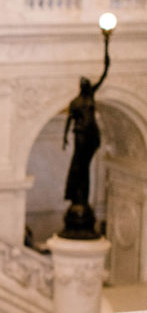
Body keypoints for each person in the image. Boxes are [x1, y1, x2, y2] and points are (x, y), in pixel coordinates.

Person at [61, 38, 110, 236]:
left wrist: (106, 43)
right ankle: (78, 199)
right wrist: (64, 138)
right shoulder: (75, 102)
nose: (86, 85)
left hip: (92, 135)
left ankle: (82, 200)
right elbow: (68, 121)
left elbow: (106, 71)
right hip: (80, 134)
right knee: (79, 166)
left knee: (84, 166)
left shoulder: (90, 96)